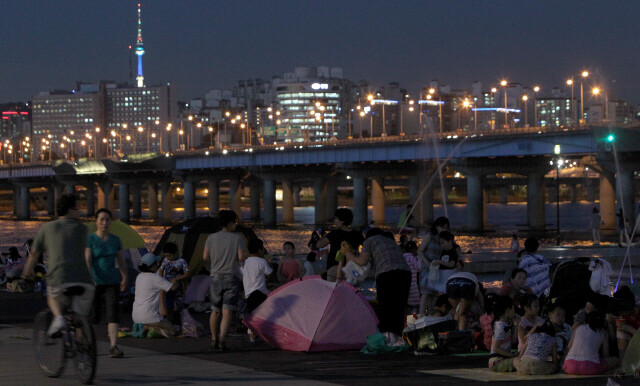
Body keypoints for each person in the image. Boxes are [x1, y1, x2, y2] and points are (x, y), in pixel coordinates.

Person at [21, 194, 95, 337]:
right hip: (84, 281)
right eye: (77, 208)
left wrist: (26, 274)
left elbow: (34, 255)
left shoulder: (47, 228)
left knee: (52, 296)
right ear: (70, 209)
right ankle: (82, 351)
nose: (79, 211)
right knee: (80, 317)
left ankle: (59, 318)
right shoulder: (84, 229)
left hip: (59, 279)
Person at [343, 228, 410, 342]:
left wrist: (349, 255)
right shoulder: (390, 241)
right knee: (398, 308)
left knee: (386, 307)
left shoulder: (369, 241)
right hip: (405, 273)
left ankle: (386, 339)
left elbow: (363, 261)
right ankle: (399, 339)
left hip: (386, 274)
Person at [85, 208, 128, 358]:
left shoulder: (115, 239)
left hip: (112, 282)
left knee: (112, 314)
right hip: (96, 282)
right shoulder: (91, 238)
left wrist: (124, 276)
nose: (104, 222)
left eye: (107, 219)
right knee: (94, 316)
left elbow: (121, 260)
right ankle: (91, 344)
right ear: (96, 221)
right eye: (101, 219)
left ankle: (114, 346)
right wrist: (90, 278)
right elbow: (88, 260)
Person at [203, 210, 247, 351]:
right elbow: (241, 258)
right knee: (227, 311)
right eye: (235, 222)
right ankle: (222, 339)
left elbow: (205, 257)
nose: (236, 225)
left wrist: (214, 263)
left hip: (215, 276)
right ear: (229, 223)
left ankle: (213, 338)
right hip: (231, 276)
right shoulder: (237, 238)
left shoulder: (211, 237)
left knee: (215, 310)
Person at [132, 253, 180, 338]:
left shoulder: (139, 276)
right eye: (156, 263)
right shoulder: (155, 278)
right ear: (152, 266)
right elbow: (172, 288)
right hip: (150, 316)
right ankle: (148, 327)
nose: (158, 265)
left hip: (136, 315)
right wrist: (176, 280)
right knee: (172, 331)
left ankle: (143, 327)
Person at [417, 216, 455, 315]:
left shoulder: (443, 238)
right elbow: (420, 251)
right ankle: (421, 315)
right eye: (442, 227)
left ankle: (430, 315)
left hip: (437, 268)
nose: (444, 230)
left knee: (434, 293)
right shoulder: (430, 235)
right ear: (437, 226)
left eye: (446, 228)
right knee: (425, 293)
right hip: (427, 267)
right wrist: (427, 263)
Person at [315, 208, 364, 282]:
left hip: (334, 267)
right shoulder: (357, 234)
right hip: (352, 268)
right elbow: (366, 247)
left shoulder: (334, 234)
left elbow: (319, 245)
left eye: (336, 218)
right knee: (350, 291)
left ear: (342, 221)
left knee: (333, 291)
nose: (334, 221)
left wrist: (325, 234)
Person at [240, 239, 272, 342]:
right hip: (260, 293)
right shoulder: (262, 261)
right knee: (261, 314)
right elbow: (269, 273)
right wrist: (270, 263)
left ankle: (252, 334)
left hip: (248, 293)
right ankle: (257, 334)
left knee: (252, 313)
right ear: (259, 249)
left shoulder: (243, 262)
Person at [158, 242, 189, 323]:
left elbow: (186, 274)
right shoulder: (165, 261)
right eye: (166, 256)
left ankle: (181, 322)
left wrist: (177, 278)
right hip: (168, 286)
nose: (168, 257)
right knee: (169, 304)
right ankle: (170, 321)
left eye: (169, 255)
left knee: (179, 304)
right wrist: (161, 280)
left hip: (178, 286)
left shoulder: (182, 261)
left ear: (175, 253)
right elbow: (161, 270)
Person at [446, 267, 484, 331]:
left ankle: (455, 333)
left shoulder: (473, 280)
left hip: (451, 283)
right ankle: (461, 334)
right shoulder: (477, 288)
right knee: (463, 314)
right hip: (468, 283)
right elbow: (482, 302)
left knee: (457, 310)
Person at [488, 295, 518, 372]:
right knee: (517, 361)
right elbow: (496, 348)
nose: (514, 312)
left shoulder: (505, 325)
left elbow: (514, 341)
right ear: (508, 310)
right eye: (513, 309)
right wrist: (511, 355)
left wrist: (516, 325)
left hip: (503, 358)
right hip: (496, 361)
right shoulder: (500, 327)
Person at [403, 241, 421, 313]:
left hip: (404, 284)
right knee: (414, 305)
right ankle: (412, 321)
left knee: (405, 305)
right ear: (413, 250)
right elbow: (418, 268)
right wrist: (419, 259)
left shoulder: (402, 256)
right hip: (412, 284)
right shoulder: (412, 257)